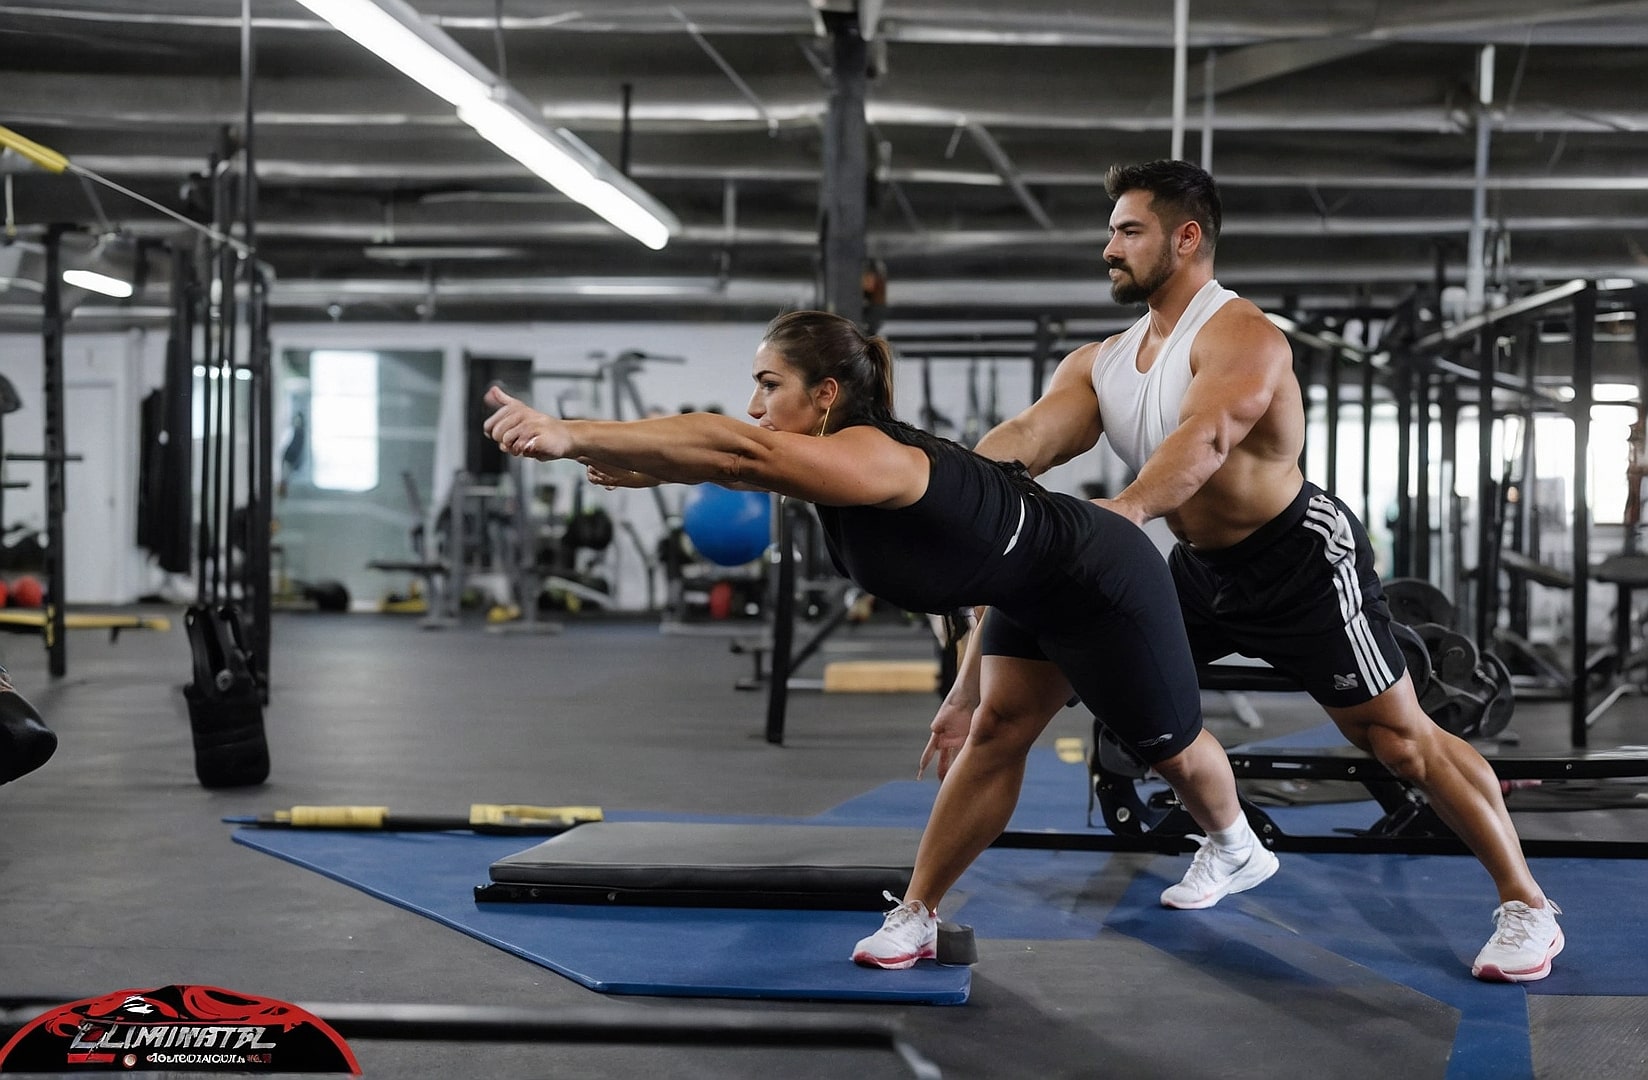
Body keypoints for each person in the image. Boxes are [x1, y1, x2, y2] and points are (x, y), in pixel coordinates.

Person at [922, 158, 1560, 983]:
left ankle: (1527, 907)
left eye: (1127, 231)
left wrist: (1124, 516)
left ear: (1185, 238)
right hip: (1198, 567)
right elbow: (1030, 438)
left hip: (1299, 558)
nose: (1107, 248)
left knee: (1398, 740)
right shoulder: (1101, 361)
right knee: (1127, 704)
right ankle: (1230, 845)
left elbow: (1206, 441)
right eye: (1111, 231)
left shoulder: (1243, 335)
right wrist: (946, 494)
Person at [483, 309, 1278, 969]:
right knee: (995, 733)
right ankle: (917, 915)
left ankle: (1236, 843)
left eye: (769, 385)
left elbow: (734, 448)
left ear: (826, 395)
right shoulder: (834, 466)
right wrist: (966, 688)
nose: (756, 403)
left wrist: (571, 434)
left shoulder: (875, 457)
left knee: (1167, 747)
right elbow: (738, 468)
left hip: (1103, 575)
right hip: (1025, 586)